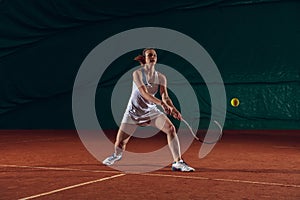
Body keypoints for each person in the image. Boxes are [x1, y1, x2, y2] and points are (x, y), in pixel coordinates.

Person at [102, 48, 195, 172]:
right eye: (149, 55)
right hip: (133, 112)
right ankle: (116, 156)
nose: (152, 57)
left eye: (154, 55)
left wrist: (173, 108)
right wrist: (162, 104)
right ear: (144, 59)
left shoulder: (161, 77)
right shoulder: (137, 74)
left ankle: (178, 162)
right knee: (120, 144)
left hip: (150, 111)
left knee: (170, 129)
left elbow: (165, 96)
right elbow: (144, 93)